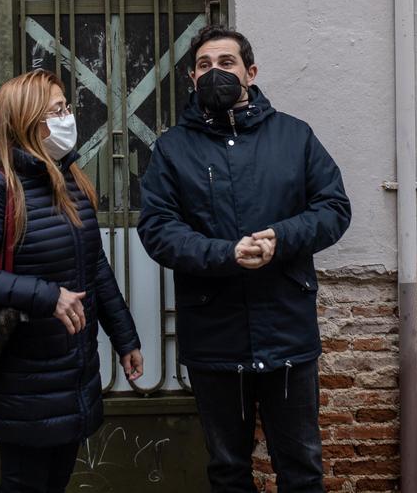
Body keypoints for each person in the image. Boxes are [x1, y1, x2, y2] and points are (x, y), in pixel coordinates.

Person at [138, 25, 351, 492]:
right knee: (228, 470)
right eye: (204, 66)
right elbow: (158, 230)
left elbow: (334, 208)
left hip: (287, 335)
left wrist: (282, 238)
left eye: (226, 63)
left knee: (300, 468)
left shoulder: (295, 137)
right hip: (215, 338)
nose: (215, 73)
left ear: (250, 73)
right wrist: (225, 254)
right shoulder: (172, 150)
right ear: (192, 79)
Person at [0, 69, 144, 493]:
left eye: (66, 107)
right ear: (27, 120)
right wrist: (46, 296)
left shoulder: (69, 180)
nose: (67, 117)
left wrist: (126, 338)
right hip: (24, 382)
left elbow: (95, 268)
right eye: (57, 110)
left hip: (73, 371)